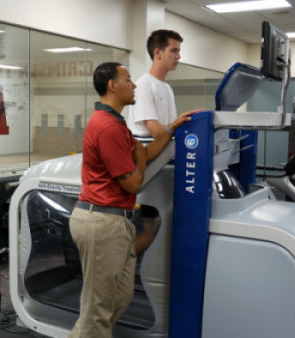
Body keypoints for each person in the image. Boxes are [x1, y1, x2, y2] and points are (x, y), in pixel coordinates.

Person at [68, 62, 199, 338]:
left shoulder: (118, 123)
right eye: (128, 79)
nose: (135, 84)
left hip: (115, 222)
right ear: (112, 85)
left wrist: (171, 128)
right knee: (97, 310)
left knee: (118, 298)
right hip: (101, 222)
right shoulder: (108, 128)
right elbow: (132, 182)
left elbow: (146, 153)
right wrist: (139, 159)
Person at [127, 29, 202, 257]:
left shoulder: (166, 88)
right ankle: (119, 270)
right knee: (150, 231)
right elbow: (156, 130)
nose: (178, 56)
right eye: (174, 50)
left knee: (158, 230)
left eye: (179, 51)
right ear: (158, 52)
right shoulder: (144, 86)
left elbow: (168, 130)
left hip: (164, 167)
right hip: (148, 169)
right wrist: (178, 125)